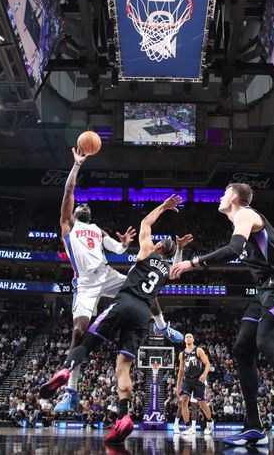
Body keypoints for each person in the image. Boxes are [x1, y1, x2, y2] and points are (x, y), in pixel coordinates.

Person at [171, 183, 274, 445]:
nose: (220, 198)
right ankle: (254, 426)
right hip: (267, 287)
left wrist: (193, 263)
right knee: (242, 347)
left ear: (233, 197)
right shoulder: (242, 221)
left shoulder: (245, 214)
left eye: (223, 194)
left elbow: (232, 250)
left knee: (265, 341)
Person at [40, 195, 185, 443]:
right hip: (142, 315)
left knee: (86, 342)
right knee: (123, 366)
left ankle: (66, 370)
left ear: (159, 246)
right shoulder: (168, 271)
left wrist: (163, 207)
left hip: (124, 302)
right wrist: (179, 249)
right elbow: (176, 270)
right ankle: (124, 416)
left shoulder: (147, 251)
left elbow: (146, 222)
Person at [55, 148, 182, 414]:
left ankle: (163, 326)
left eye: (87, 205)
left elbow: (121, 250)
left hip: (107, 274)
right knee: (79, 330)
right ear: (75, 212)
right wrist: (77, 165)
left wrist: (124, 243)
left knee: (145, 289)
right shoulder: (69, 225)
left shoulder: (97, 229)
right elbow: (68, 192)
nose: (85, 206)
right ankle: (71, 391)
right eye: (82, 205)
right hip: (86, 284)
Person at [175, 333, 214, 438]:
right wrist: (178, 385)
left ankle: (210, 422)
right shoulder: (182, 354)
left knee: (201, 404)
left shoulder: (198, 350)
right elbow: (181, 370)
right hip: (187, 380)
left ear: (193, 339)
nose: (188, 338)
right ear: (184, 340)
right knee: (184, 401)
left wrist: (204, 374)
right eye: (186, 337)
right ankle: (188, 427)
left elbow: (207, 364)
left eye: (190, 336)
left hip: (198, 379)